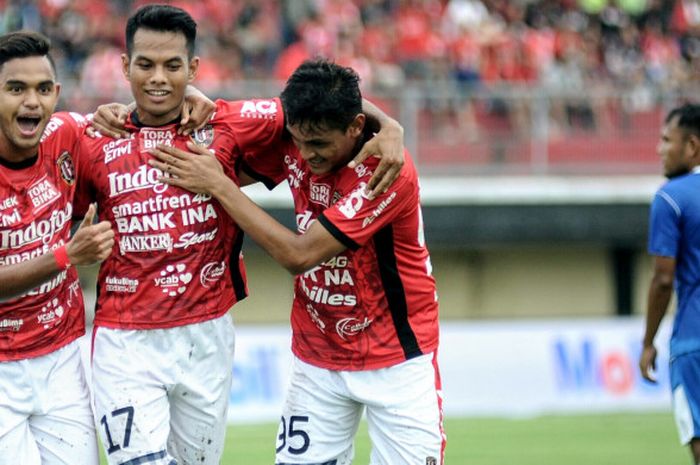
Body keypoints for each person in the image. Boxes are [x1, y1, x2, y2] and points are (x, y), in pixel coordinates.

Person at [78, 5, 405, 465]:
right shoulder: (90, 136)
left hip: (206, 335)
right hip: (124, 339)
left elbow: (322, 102)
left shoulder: (232, 122)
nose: (158, 78)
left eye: (173, 66)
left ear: (192, 69)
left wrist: (388, 125)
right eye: (145, 64)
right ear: (124, 65)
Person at [150, 59, 445, 465]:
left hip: (396, 358)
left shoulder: (385, 170)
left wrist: (218, 184)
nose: (305, 155)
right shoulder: (301, 129)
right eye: (298, 141)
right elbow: (205, 113)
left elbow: (299, 254)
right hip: (316, 357)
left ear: (356, 127)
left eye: (319, 145)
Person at [0, 31, 115, 465]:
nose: (32, 101)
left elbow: (138, 123)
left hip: (63, 357)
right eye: (16, 88)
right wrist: (68, 255)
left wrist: (193, 96)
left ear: (57, 94)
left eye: (43, 89)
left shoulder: (66, 133)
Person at [640, 103, 700, 464]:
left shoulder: (671, 197)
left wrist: (648, 342)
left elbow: (663, 280)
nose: (660, 150)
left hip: (694, 343)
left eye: (667, 140)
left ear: (691, 146)